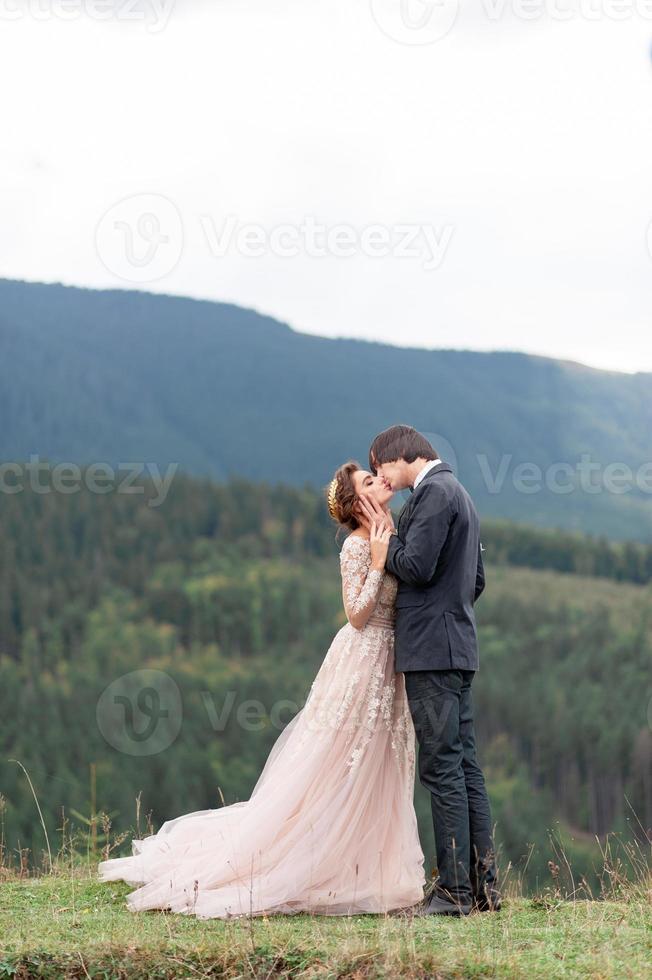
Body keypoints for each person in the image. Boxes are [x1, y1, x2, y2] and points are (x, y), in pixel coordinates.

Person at [97, 460, 426, 919]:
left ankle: (367, 865)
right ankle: (314, 860)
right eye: (368, 481)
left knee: (382, 759)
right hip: (362, 659)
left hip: (393, 663)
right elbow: (355, 614)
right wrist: (376, 563)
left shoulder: (391, 532)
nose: (380, 481)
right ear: (357, 503)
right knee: (341, 758)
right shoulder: (356, 546)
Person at [358, 425, 500, 915]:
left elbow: (415, 566)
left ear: (398, 456)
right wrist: (449, 609)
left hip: (431, 653)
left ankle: (454, 893)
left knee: (442, 768)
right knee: (464, 766)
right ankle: (484, 889)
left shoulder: (435, 493)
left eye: (379, 469)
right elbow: (475, 580)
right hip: (457, 645)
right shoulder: (458, 492)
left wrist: (385, 550)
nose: (381, 479)